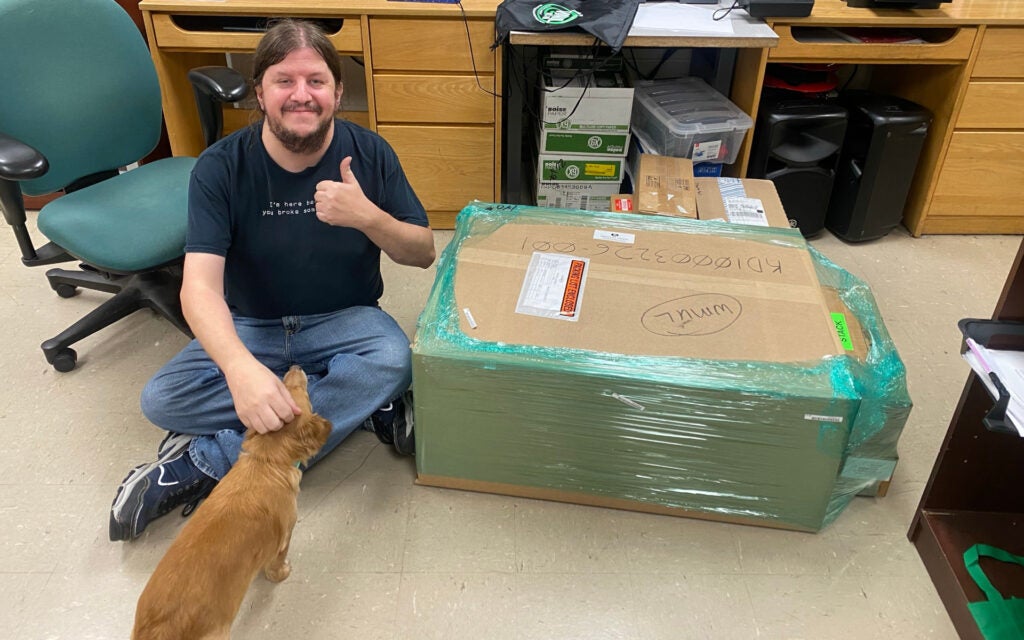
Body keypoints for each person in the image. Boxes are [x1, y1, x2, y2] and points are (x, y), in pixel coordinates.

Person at [109, 18, 435, 542]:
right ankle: (348, 402)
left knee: (393, 359)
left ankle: (202, 463)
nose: (301, 95)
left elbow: (422, 254)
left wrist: (367, 216)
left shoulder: (370, 153)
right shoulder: (220, 167)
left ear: (338, 91)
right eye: (284, 81)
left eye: (316, 81)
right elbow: (198, 288)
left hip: (344, 321)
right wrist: (240, 371)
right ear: (260, 92)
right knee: (162, 399)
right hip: (254, 325)